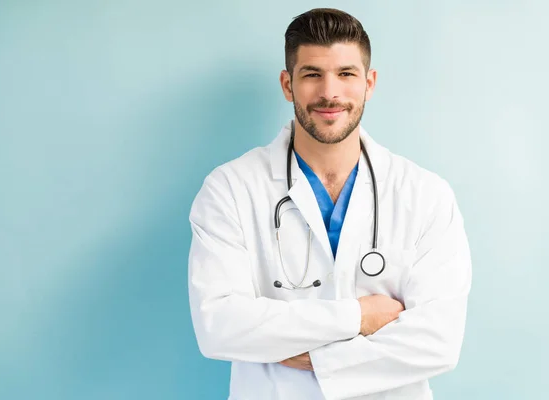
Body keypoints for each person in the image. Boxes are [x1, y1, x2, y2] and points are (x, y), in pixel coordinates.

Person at [187, 8, 471, 400]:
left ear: (369, 83)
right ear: (288, 85)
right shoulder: (230, 189)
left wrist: (314, 357)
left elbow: (438, 340)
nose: (329, 93)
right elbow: (218, 325)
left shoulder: (424, 194)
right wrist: (360, 316)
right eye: (312, 75)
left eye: (346, 74)